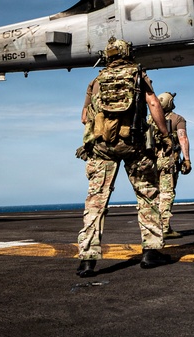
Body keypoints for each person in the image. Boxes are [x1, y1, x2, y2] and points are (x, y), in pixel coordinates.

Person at [75, 37, 172, 277]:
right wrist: (165, 135)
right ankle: (150, 252)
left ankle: (87, 259)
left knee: (96, 201)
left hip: (102, 148)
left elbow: (85, 117)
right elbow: (153, 104)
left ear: (107, 55)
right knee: (147, 195)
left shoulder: (96, 80)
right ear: (128, 52)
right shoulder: (138, 75)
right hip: (134, 146)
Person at [152, 92, 191, 239]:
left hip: (152, 162)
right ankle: (165, 228)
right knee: (167, 194)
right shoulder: (178, 119)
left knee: (154, 195)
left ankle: (154, 226)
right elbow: (183, 139)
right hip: (168, 162)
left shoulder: (151, 119)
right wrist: (187, 159)